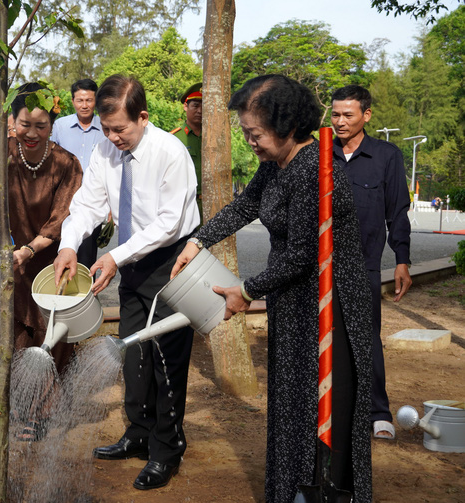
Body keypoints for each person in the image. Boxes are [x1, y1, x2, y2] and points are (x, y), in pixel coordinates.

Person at [172, 75, 373, 502]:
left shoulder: (317, 171)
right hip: (293, 301)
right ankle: (288, 489)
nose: (250, 142)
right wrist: (198, 239)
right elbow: (247, 204)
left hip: (328, 310)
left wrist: (245, 290)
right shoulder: (277, 165)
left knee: (320, 411)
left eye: (255, 133)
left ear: (285, 126)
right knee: (291, 405)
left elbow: (303, 253)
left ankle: (318, 490)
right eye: (245, 133)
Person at [53, 74, 199, 491]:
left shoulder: (171, 153)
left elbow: (171, 223)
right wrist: (68, 245)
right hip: (132, 261)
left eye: (120, 129)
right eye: (107, 128)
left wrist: (115, 256)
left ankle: (167, 448)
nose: (113, 137)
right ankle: (138, 433)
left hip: (172, 261)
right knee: (132, 352)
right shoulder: (104, 151)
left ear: (143, 117)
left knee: (167, 360)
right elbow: (87, 206)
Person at [0, 82, 83, 441]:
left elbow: (63, 219)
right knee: (14, 337)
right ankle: (19, 406)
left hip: (52, 259)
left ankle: (41, 414)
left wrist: (30, 249)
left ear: (52, 125)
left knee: (50, 337)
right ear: (10, 121)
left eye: (41, 126)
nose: (31, 133)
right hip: (10, 263)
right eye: (24, 124)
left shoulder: (65, 163)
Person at [330, 85, 412, 440]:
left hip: (363, 266)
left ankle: (378, 412)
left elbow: (397, 212)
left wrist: (403, 260)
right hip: (318, 266)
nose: (340, 121)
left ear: (366, 115)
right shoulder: (319, 154)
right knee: (321, 338)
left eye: (348, 115)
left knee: (365, 338)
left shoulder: (386, 156)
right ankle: (329, 412)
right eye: (335, 114)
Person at [50, 79, 106, 268]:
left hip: (93, 200)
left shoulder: (105, 128)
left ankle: (84, 294)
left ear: (96, 101)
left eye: (89, 100)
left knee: (86, 254)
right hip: (63, 199)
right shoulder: (60, 126)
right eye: (80, 100)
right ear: (73, 101)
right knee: (60, 247)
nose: (85, 105)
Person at [170, 83, 203, 220]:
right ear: (185, 106)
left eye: (204, 106)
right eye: (195, 106)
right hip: (183, 205)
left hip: (210, 204)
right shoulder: (173, 138)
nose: (200, 111)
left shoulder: (215, 138)